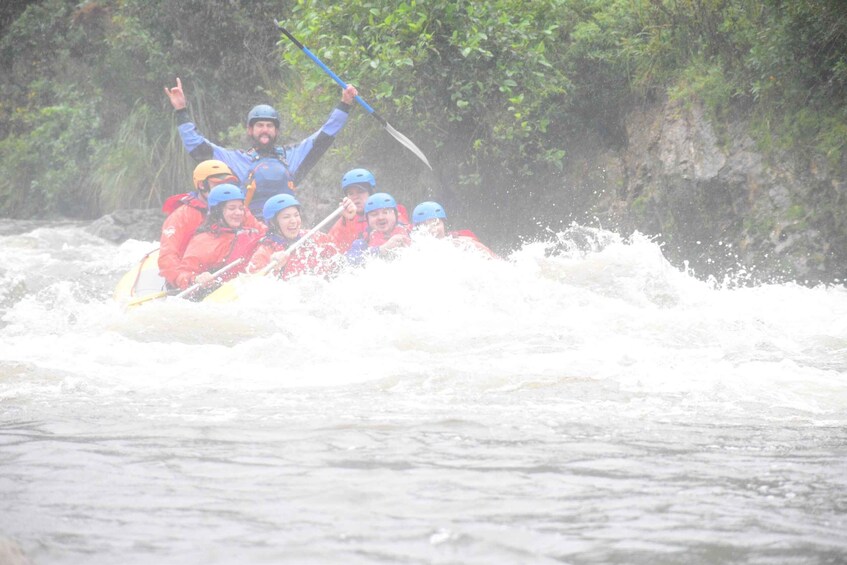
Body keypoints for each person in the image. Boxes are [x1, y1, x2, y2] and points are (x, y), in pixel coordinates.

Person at [164, 77, 359, 215]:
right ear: (250, 130)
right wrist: (181, 111)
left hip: (286, 229)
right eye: (259, 126)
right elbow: (198, 147)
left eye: (269, 126)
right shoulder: (236, 159)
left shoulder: (292, 156)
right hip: (250, 229)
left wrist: (345, 104)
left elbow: (324, 137)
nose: (264, 130)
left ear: (276, 131)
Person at [158, 160, 264, 288]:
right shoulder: (181, 216)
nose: (225, 188)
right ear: (202, 185)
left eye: (227, 183)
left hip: (225, 270)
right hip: (191, 275)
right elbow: (167, 257)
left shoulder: (237, 210)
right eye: (218, 184)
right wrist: (189, 279)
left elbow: (263, 233)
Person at [172, 184, 264, 296]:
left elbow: (271, 240)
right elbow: (182, 274)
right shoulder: (204, 241)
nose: (239, 213)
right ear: (217, 211)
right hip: (216, 294)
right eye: (232, 208)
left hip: (246, 288)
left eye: (241, 208)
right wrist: (196, 278)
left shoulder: (251, 233)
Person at [247, 194, 357, 279]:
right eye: (286, 217)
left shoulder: (311, 237)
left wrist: (348, 219)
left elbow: (339, 247)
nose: (294, 221)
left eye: (296, 215)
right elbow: (255, 287)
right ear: (273, 223)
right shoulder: (263, 253)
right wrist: (273, 267)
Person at [327, 168, 409, 252]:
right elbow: (332, 250)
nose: (355, 197)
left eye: (360, 191)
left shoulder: (390, 210)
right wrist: (348, 219)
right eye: (351, 193)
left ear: (371, 193)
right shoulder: (344, 221)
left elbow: (407, 232)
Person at [411, 201, 498, 258]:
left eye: (437, 223)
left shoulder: (457, 239)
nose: (433, 229)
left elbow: (491, 256)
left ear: (444, 224)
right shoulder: (412, 249)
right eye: (427, 226)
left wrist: (468, 244)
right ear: (418, 230)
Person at [346, 192, 411, 264]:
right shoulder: (362, 243)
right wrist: (382, 249)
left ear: (396, 215)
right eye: (374, 214)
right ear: (367, 220)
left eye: (385, 212)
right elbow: (350, 261)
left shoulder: (411, 233)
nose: (380, 217)